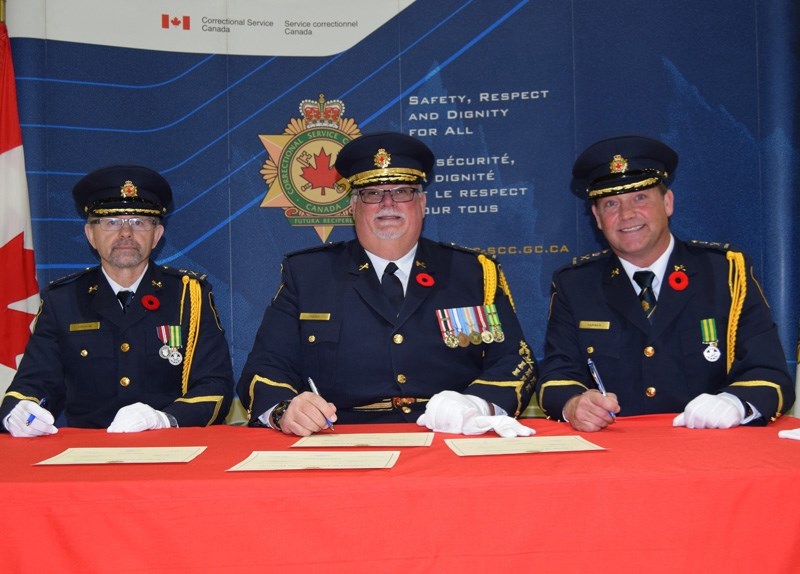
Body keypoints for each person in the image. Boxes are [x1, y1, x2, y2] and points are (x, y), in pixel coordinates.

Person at [238, 132, 537, 437]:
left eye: (403, 191)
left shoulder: (473, 273)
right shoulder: (308, 275)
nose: (388, 203)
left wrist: (479, 405)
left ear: (422, 203)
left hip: (453, 437)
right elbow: (265, 368)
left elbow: (516, 360)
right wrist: (285, 410)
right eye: (372, 193)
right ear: (352, 206)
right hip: (341, 441)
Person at [536, 135, 794, 432]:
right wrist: (574, 404)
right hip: (613, 455)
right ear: (597, 217)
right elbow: (557, 375)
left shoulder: (725, 273)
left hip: (711, 452)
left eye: (640, 198)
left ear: (667, 202)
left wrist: (735, 403)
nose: (627, 215)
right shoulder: (576, 284)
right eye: (610, 204)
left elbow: (771, 373)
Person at [0, 165, 234, 436]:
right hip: (86, 457)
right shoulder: (62, 300)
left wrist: (164, 419)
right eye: (112, 222)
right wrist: (19, 410)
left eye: (138, 222)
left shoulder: (189, 296)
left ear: (157, 235)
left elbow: (216, 387)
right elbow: (34, 383)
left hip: (171, 449)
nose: (125, 234)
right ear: (91, 235)